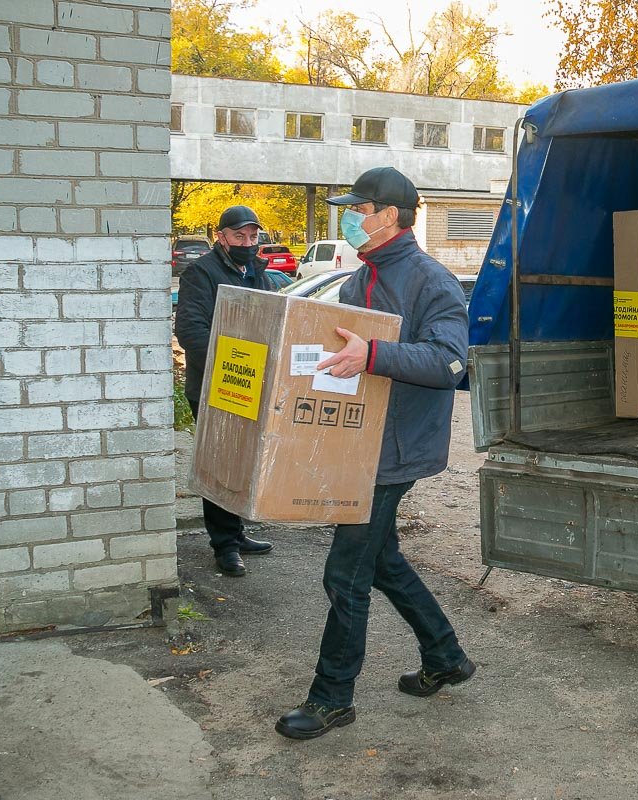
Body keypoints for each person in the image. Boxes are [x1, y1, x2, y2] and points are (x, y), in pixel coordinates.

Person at [275, 167, 474, 741]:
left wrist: (373, 354)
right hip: (358, 444)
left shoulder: (431, 282)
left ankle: (332, 697)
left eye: (357, 208)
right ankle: (445, 656)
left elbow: (450, 363)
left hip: (395, 451)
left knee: (346, 572)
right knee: (381, 562)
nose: (349, 217)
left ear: (389, 216)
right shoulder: (353, 283)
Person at [173, 205, 276, 577]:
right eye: (239, 237)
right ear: (222, 237)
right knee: (218, 469)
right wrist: (233, 362)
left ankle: (237, 532)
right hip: (214, 386)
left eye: (253, 237)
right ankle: (224, 546)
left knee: (243, 464)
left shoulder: (258, 273)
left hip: (250, 387)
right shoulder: (202, 273)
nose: (247, 243)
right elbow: (191, 333)